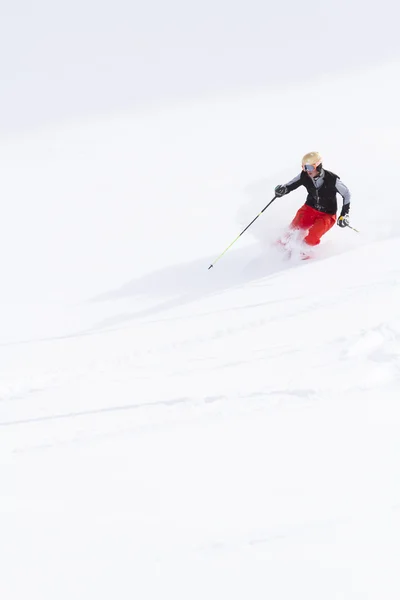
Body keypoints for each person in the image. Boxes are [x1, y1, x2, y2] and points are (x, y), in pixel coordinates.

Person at [274, 152, 351, 255]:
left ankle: (302, 252)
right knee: (294, 227)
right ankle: (282, 244)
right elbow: (291, 185)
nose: (307, 171)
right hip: (309, 208)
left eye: (310, 167)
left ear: (318, 166)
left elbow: (346, 194)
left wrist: (344, 214)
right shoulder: (304, 175)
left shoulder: (332, 179)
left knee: (313, 235)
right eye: (304, 167)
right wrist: (283, 189)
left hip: (327, 214)